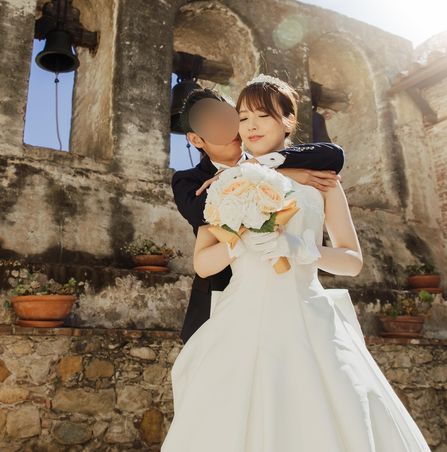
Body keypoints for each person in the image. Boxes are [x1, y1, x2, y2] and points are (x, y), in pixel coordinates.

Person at [162, 75, 431, 451]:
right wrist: (239, 241)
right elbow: (204, 264)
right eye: (243, 117)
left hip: (307, 312)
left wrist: (303, 249)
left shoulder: (322, 180)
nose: (251, 125)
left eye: (263, 115)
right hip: (239, 315)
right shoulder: (225, 184)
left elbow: (352, 261)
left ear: (288, 121)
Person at [172, 87, 345, 344]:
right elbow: (202, 213)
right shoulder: (190, 181)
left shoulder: (273, 159)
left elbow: (332, 154)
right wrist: (265, 174)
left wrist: (261, 166)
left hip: (287, 298)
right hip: (221, 299)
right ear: (196, 139)